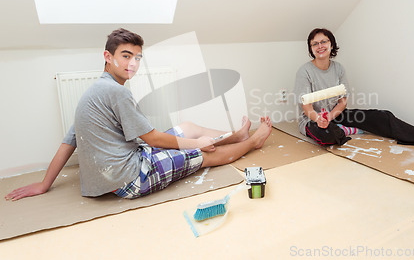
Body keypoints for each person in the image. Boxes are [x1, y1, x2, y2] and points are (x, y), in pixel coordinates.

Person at [6, 28, 272, 201]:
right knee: (204, 153)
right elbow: (153, 139)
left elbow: (68, 142)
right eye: (125, 55)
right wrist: (196, 145)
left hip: (125, 161)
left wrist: (44, 184)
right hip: (131, 178)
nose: (132, 63)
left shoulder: (97, 89)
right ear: (107, 57)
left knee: (188, 126)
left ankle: (237, 135)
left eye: (137, 57)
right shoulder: (116, 92)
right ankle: (252, 142)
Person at [294, 28, 414, 153]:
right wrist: (321, 120)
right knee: (328, 137)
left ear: (331, 44)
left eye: (323, 41)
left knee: (383, 116)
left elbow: (342, 102)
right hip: (313, 120)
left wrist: (331, 117)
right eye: (315, 44)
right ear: (311, 49)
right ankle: (342, 130)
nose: (320, 46)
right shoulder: (305, 71)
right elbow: (307, 108)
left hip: (335, 115)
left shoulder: (338, 68)